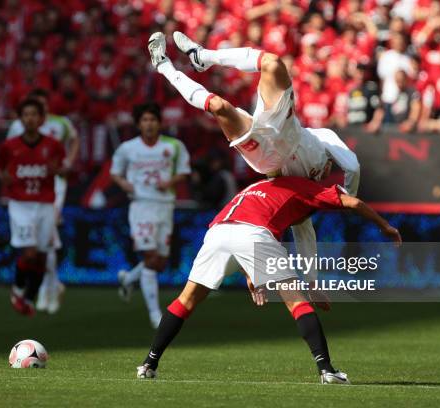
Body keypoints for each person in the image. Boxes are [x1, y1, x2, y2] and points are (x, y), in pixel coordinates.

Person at [136, 175, 402, 384]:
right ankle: (326, 369)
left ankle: (148, 363)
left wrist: (252, 273)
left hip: (217, 231)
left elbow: (237, 233)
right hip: (254, 234)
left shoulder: (257, 186)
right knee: (296, 302)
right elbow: (353, 203)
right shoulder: (306, 186)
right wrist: (385, 225)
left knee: (186, 300)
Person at [147, 31, 360, 285]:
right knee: (272, 63)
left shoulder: (306, 193)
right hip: (283, 125)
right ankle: (202, 56)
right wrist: (347, 199)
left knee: (219, 107)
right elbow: (353, 165)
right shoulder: (323, 137)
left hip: (264, 156)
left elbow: (304, 234)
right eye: (327, 170)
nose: (324, 175)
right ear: (328, 163)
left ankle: (163, 66)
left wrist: (312, 281)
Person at [111, 102, 191, 329]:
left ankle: (128, 279)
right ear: (138, 124)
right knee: (151, 257)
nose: (149, 124)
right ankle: (156, 315)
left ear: (159, 123)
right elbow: (115, 172)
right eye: (144, 120)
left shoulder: (174, 146)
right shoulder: (128, 148)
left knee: (159, 262)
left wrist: (171, 181)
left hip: (165, 205)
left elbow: (184, 171)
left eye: (153, 120)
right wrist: (124, 183)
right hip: (140, 205)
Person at [7, 88, 79, 314]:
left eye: (42, 104)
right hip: (27, 189)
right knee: (42, 245)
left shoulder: (61, 124)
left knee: (47, 241)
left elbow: (75, 139)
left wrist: (68, 162)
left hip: (54, 186)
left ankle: (47, 291)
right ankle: (51, 288)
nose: (38, 110)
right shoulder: (17, 127)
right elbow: (9, 153)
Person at [0, 99, 67, 316]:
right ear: (21, 118)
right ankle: (17, 290)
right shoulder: (9, 146)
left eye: (34, 114)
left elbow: (62, 169)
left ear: (41, 119)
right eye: (26, 114)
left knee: (43, 257)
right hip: (21, 204)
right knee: (29, 254)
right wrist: (4, 178)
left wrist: (57, 170)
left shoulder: (53, 145)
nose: (30, 119)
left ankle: (28, 298)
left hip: (45, 203)